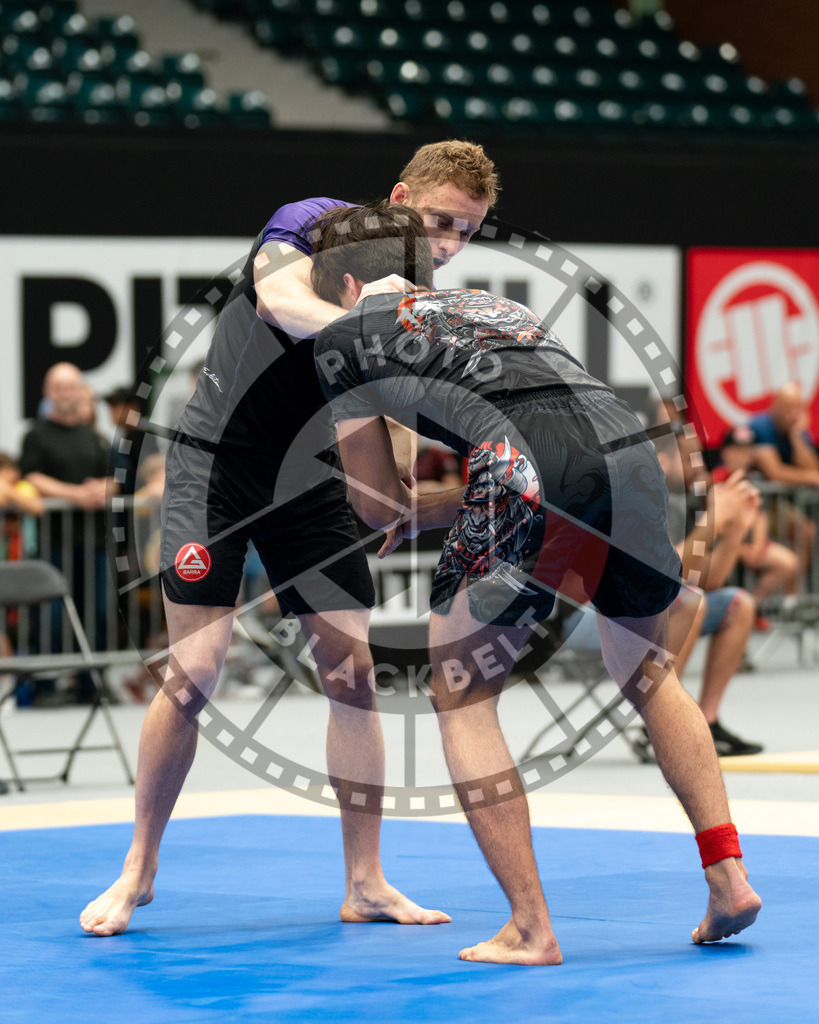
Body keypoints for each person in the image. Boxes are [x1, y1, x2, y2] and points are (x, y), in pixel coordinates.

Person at [311, 202, 761, 965]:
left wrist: (415, 505)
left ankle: (529, 926)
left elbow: (376, 503)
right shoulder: (491, 302)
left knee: (459, 693)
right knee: (648, 677)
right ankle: (727, 879)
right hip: (626, 452)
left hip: (521, 465)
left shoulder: (337, 337)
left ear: (345, 284)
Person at [80, 140, 498, 936]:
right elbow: (279, 302)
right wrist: (369, 326)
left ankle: (366, 882)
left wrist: (410, 490)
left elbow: (386, 466)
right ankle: (138, 868)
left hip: (308, 489)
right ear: (402, 195)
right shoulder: (312, 224)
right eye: (441, 220)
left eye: (468, 232)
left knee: (353, 676)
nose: (448, 243)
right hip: (217, 470)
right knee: (195, 670)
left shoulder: (416, 300)